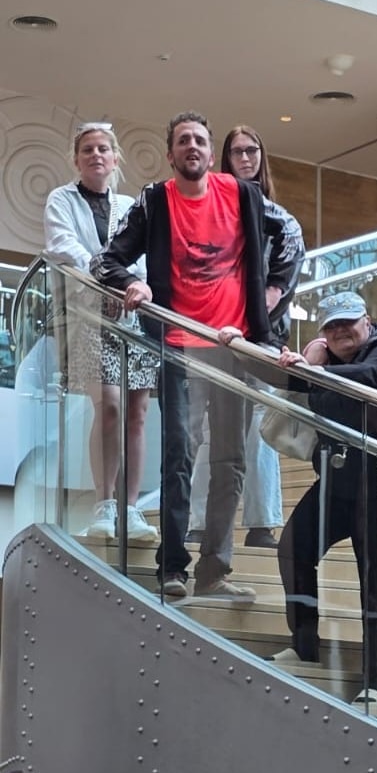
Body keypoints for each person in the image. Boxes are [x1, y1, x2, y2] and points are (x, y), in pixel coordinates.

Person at [90, 110, 304, 599]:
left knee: (230, 461)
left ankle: (215, 571)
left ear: (211, 154)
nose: (192, 147)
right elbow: (105, 261)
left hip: (234, 348)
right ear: (171, 155)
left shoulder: (242, 194)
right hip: (180, 349)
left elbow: (292, 237)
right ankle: (173, 567)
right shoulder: (155, 201)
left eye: (200, 141)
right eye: (183, 140)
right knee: (179, 456)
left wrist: (271, 295)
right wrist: (134, 282)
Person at [266, 291, 377, 705]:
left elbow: (368, 377)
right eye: (331, 326)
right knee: (294, 547)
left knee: (376, 581)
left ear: (367, 321)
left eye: (347, 322)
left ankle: (375, 681)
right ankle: (304, 646)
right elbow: (281, 376)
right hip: (336, 484)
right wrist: (233, 339)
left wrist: (315, 368)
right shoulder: (325, 361)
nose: (340, 332)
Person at [44, 121, 159, 541]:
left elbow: (143, 255)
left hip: (133, 316)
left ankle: (131, 508)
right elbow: (64, 247)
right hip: (89, 314)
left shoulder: (130, 205)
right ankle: (104, 503)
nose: (96, 155)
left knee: (137, 413)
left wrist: (132, 286)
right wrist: (109, 282)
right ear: (76, 159)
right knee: (108, 406)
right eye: (88, 149)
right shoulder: (61, 199)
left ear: (115, 159)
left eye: (103, 149)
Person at [188, 125, 300, 549]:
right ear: (226, 159)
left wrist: (253, 319)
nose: (246, 158)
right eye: (237, 152)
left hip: (261, 339)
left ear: (261, 155)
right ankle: (199, 522)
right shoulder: (212, 214)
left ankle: (262, 523)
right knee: (207, 428)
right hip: (211, 336)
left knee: (260, 426)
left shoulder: (280, 220)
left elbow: (283, 280)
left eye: (252, 150)